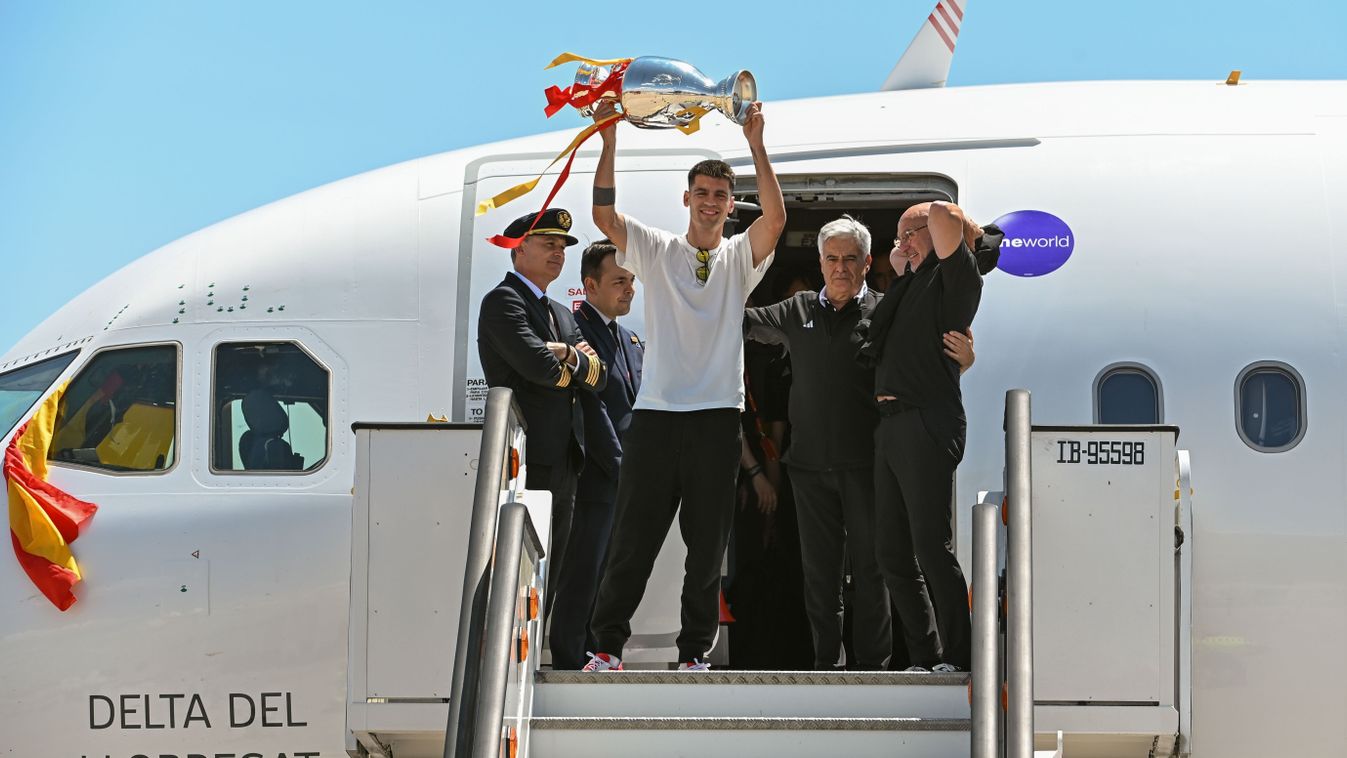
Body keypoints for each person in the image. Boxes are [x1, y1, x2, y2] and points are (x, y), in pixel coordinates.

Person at [583, 98, 786, 672]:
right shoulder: (658, 248)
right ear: (687, 198)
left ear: (728, 204)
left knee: (705, 550)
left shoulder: (741, 257)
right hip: (656, 419)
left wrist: (757, 144)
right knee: (633, 543)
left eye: (721, 195)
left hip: (717, 420)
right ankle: (605, 647)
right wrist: (608, 142)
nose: (711, 203)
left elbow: (775, 222)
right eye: (702, 193)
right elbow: (605, 219)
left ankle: (694, 653)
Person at [745, 214, 975, 670]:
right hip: (808, 468)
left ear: (868, 262)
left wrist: (965, 361)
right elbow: (736, 322)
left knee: (876, 571)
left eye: (851, 259)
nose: (841, 268)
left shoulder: (887, 309)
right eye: (832, 259)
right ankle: (827, 665)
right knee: (820, 576)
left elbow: (927, 359)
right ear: (820, 262)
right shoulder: (795, 311)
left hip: (868, 464)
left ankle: (875, 667)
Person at [858, 201, 983, 672]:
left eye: (911, 232)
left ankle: (961, 655)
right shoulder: (908, 286)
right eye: (898, 236)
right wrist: (905, 255)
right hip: (891, 425)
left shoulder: (955, 278)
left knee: (931, 545)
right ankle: (929, 656)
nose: (902, 243)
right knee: (891, 551)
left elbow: (945, 214)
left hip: (927, 421)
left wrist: (935, 225)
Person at [476, 208, 607, 618]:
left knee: (550, 570)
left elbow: (599, 376)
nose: (558, 253)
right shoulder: (503, 302)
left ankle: (532, 660)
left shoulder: (562, 314)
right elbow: (541, 370)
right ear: (518, 249)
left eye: (562, 246)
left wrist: (566, 352)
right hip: (527, 458)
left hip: (564, 458)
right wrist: (571, 366)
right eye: (548, 243)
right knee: (521, 568)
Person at [548, 240, 644, 670]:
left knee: (609, 574)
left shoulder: (629, 337)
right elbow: (594, 406)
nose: (629, 289)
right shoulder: (577, 331)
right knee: (583, 571)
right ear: (590, 284)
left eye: (632, 281)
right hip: (596, 477)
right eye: (619, 281)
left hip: (626, 476)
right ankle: (571, 657)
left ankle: (595, 654)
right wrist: (622, 466)